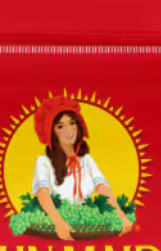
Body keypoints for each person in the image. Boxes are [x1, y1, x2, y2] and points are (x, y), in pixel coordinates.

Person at [33, 96, 133, 241]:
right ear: (52, 132)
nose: (69, 130)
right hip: (58, 227)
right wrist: (58, 222)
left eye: (72, 123)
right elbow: (42, 192)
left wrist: (121, 216)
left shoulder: (87, 160)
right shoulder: (43, 162)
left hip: (85, 224)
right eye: (60, 126)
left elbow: (102, 188)